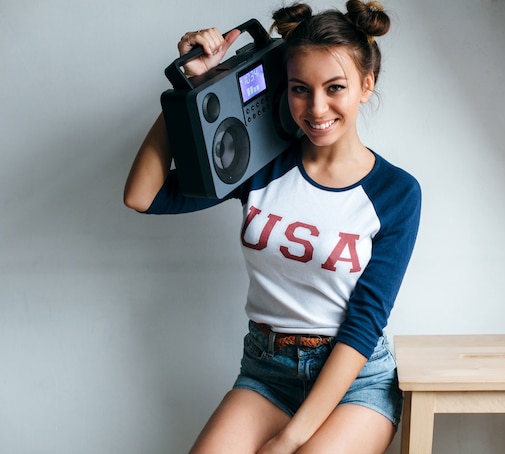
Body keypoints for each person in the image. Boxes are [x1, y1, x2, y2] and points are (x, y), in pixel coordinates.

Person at [124, 1, 421, 452]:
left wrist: (289, 440)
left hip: (353, 383)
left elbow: (363, 325)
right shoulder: (260, 167)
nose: (316, 107)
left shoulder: (396, 193)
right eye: (300, 89)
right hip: (267, 371)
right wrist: (192, 88)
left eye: (334, 87)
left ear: (366, 85)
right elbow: (142, 196)